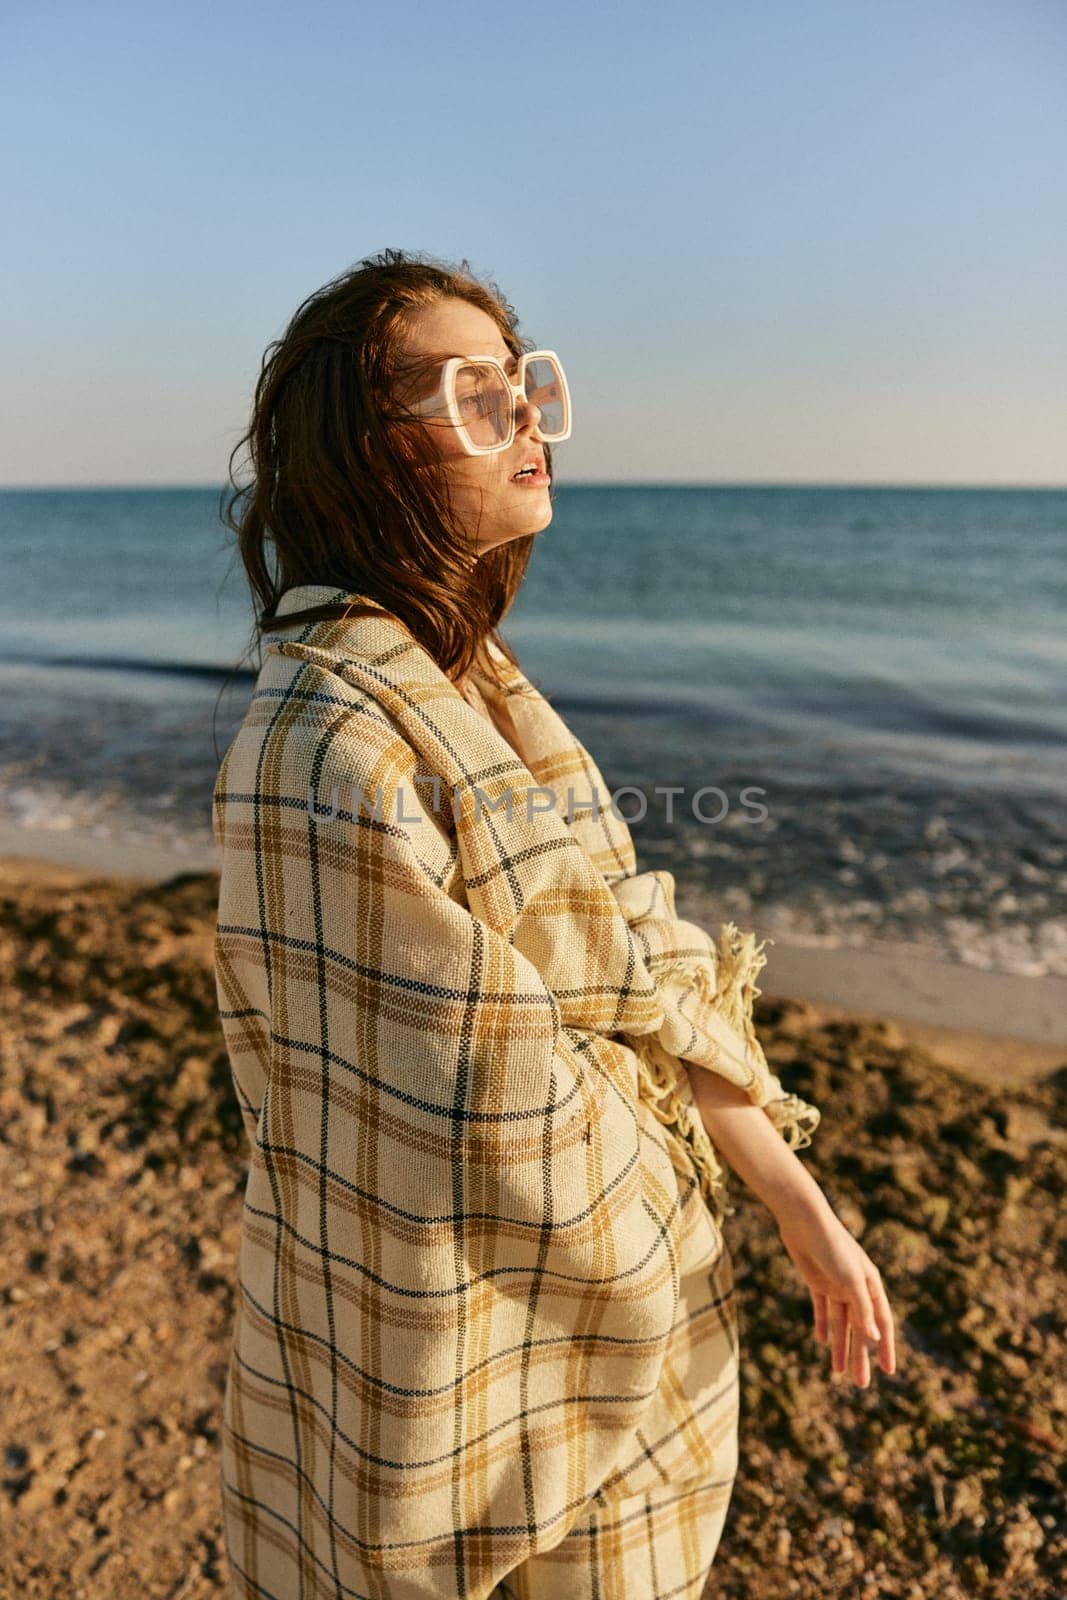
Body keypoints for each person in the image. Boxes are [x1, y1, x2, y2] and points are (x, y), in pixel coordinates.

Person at [211, 248, 897, 1600]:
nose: (526, 416)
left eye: (523, 383)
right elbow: (484, 1119)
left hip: (617, 1356)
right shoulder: (327, 749)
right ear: (367, 454)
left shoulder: (488, 687)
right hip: (474, 1376)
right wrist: (681, 1219)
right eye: (473, 394)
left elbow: (640, 963)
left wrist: (798, 1204)